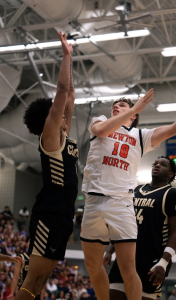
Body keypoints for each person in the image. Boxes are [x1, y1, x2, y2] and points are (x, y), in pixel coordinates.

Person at [80, 82, 176, 300]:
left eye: (122, 105)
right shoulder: (100, 121)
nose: (116, 106)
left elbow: (175, 128)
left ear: (133, 117)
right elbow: (102, 130)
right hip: (93, 200)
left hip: (121, 203)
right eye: (115, 104)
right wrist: (133, 109)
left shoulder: (141, 136)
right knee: (92, 266)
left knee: (128, 270)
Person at [14, 32, 78, 300]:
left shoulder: (67, 134)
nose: (66, 113)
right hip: (49, 214)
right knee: (33, 279)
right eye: (60, 112)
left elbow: (71, 93)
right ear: (50, 118)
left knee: (41, 283)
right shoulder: (50, 137)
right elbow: (62, 92)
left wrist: (72, 59)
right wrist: (65, 55)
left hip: (64, 216)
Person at [104, 156, 176, 300]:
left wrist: (164, 262)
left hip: (152, 260)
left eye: (163, 165)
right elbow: (124, 224)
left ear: (170, 174)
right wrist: (110, 250)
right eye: (156, 163)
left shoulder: (173, 195)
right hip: (126, 256)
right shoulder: (136, 190)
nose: (157, 166)